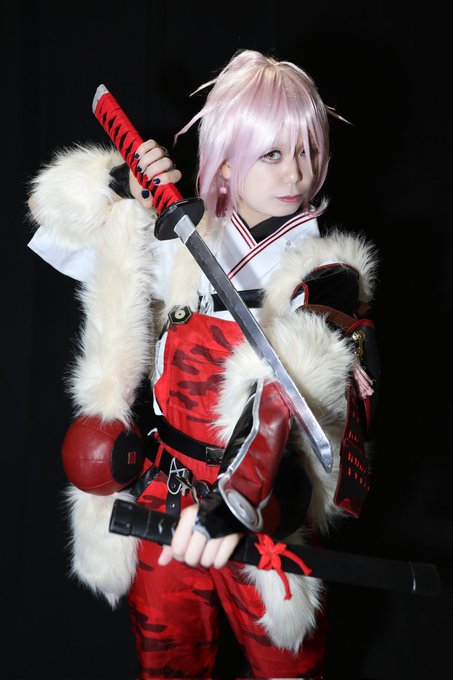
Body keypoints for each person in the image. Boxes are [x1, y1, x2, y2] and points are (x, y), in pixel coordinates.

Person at [27, 49, 379, 679]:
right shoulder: (182, 236)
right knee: (167, 662)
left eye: (306, 151)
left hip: (263, 507)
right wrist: (125, 186)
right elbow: (56, 225)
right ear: (228, 156)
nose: (295, 172)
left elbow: (288, 402)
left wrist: (238, 508)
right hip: (165, 498)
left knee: (287, 668)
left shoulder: (328, 273)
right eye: (272, 154)